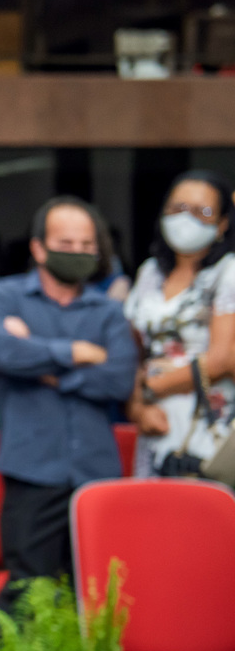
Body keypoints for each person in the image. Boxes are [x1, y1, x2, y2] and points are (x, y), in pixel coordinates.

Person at [0, 197, 138, 610]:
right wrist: (77, 352)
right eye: (67, 242)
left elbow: (119, 380)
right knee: (29, 597)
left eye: (87, 245)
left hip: (97, 472)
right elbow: (1, 352)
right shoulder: (5, 297)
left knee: (98, 595)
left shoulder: (107, 312)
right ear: (38, 248)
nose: (79, 252)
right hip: (32, 469)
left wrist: (42, 361)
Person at [124, 170, 235, 477]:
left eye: (203, 211)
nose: (187, 219)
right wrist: (137, 408)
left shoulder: (228, 273)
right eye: (178, 208)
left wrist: (153, 385)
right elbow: (132, 349)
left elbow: (223, 358)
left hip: (207, 423)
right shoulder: (150, 273)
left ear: (223, 223)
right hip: (155, 424)